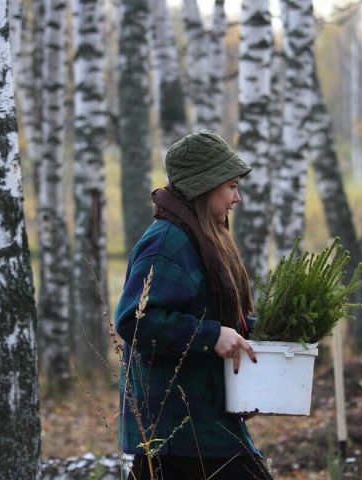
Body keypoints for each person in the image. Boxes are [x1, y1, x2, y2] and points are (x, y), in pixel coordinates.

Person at [115, 130, 273, 479]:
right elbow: (135, 320)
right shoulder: (168, 242)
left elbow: (209, 311)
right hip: (179, 428)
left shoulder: (198, 237)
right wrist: (211, 336)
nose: (238, 198)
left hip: (197, 425)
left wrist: (263, 330)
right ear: (206, 185)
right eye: (231, 186)